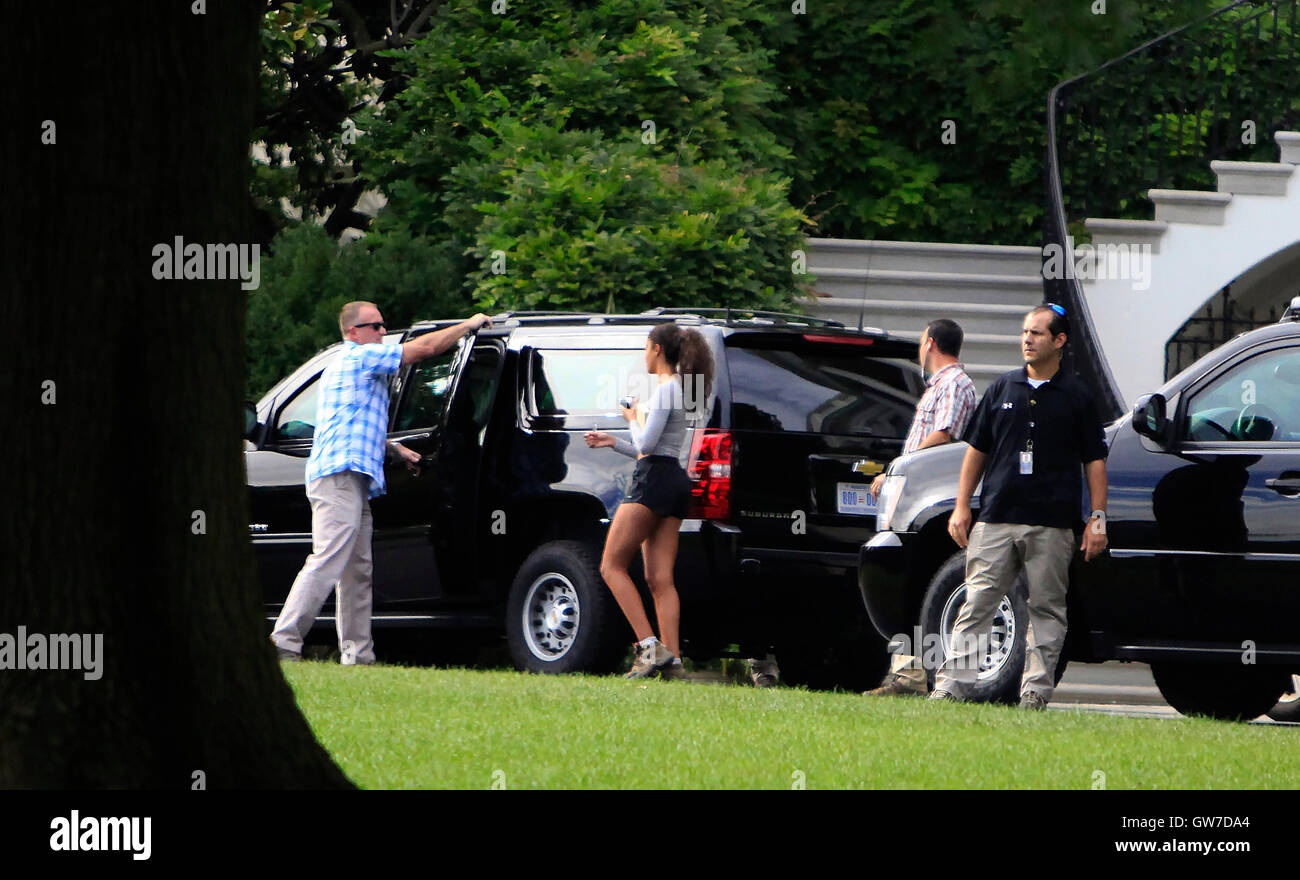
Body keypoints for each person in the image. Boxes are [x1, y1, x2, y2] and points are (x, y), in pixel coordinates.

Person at [271, 302, 493, 664]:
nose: (382, 332)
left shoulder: (354, 368)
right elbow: (426, 349)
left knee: (357, 571)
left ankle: (358, 655)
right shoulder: (357, 358)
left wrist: (396, 451)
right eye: (374, 327)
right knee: (328, 559)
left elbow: (353, 424)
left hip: (352, 478)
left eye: (384, 326)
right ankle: (284, 641)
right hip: (338, 477)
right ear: (352, 332)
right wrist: (467, 325)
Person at [931, 304, 1108, 709]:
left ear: (1059, 341)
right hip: (996, 519)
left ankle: (1034, 692)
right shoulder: (1001, 388)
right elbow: (976, 451)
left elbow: (1095, 463)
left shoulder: (1078, 396)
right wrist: (962, 507)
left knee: (1046, 608)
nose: (1027, 340)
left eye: (1037, 334)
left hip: (1052, 524)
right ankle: (951, 686)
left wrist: (1097, 519)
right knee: (978, 602)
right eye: (1025, 332)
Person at [584, 323, 714, 679]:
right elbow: (656, 449)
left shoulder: (665, 391)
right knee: (660, 578)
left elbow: (645, 445)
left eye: (646, 347)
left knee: (611, 566)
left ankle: (648, 646)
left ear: (656, 349)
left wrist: (629, 418)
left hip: (653, 483)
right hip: (672, 482)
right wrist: (614, 442)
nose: (644, 354)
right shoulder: (680, 391)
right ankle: (673, 661)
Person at [864, 318, 976, 697]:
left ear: (930, 343)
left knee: (913, 577)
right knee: (903, 579)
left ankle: (911, 676)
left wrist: (902, 467)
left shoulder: (954, 384)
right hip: (917, 497)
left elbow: (944, 434)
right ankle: (905, 673)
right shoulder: (940, 386)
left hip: (932, 498)